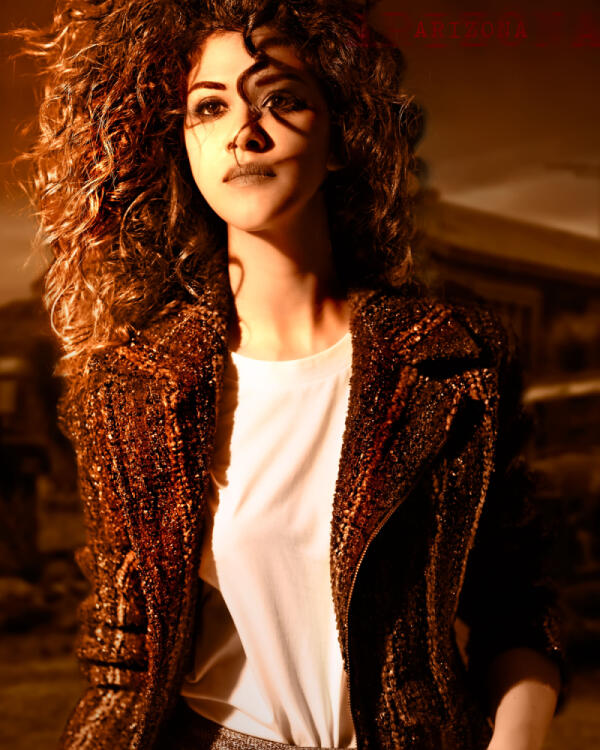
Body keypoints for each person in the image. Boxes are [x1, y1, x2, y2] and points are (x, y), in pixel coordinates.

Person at [17, 0, 567, 748]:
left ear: (340, 138)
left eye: (280, 99)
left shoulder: (452, 360)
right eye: (209, 107)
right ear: (182, 147)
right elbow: (123, 666)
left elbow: (520, 606)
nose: (245, 132)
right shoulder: (133, 389)